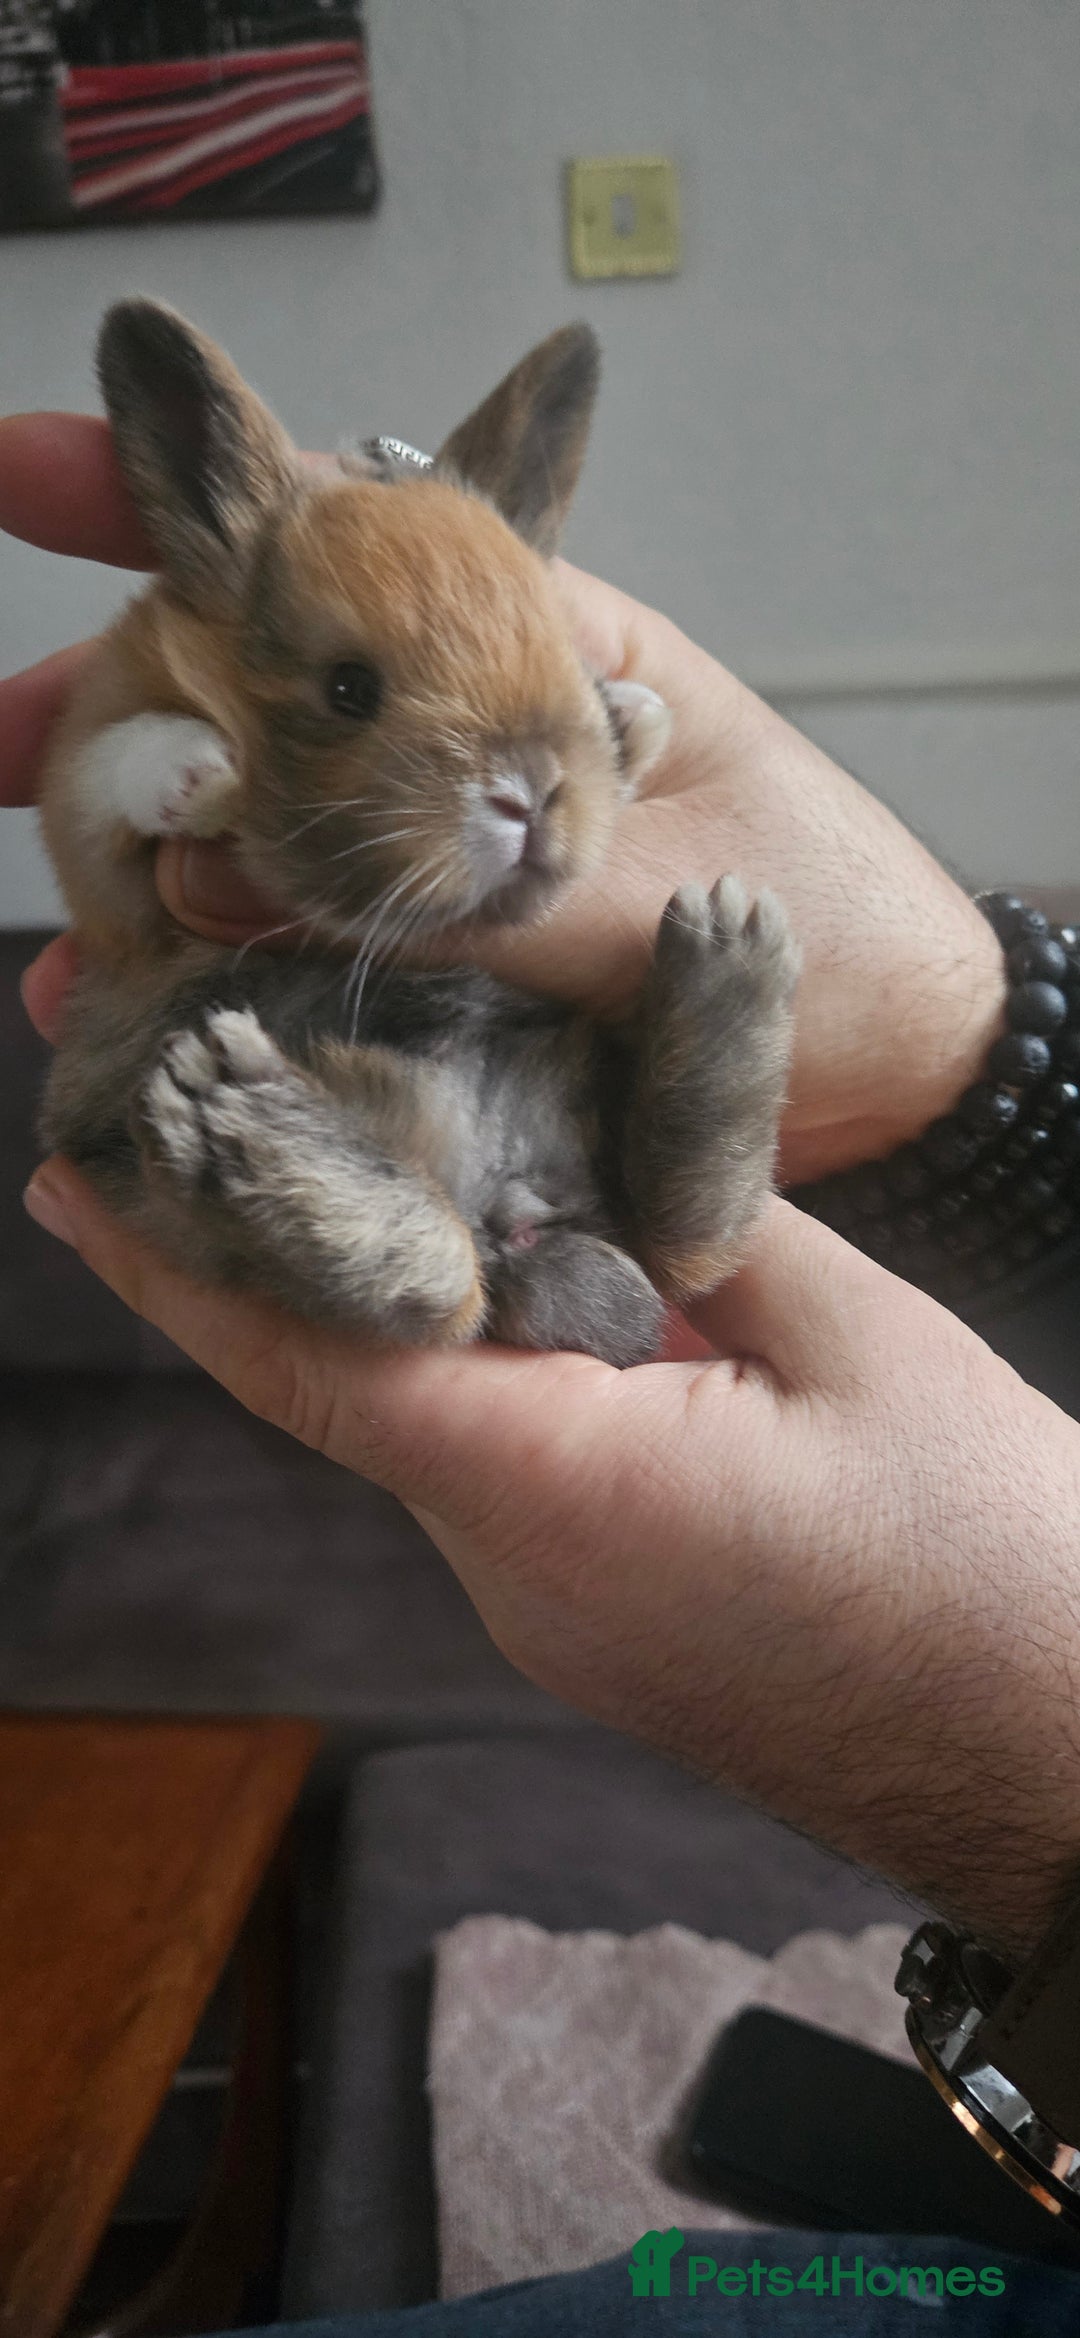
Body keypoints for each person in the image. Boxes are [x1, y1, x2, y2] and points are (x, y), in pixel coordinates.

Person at [4, 408, 1080, 2334]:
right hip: (323, 1092)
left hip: (521, 1103)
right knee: (210, 1132)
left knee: (651, 1196)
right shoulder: (168, 680)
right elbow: (106, 853)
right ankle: (414, 1242)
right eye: (346, 687)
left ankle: (636, 1143)